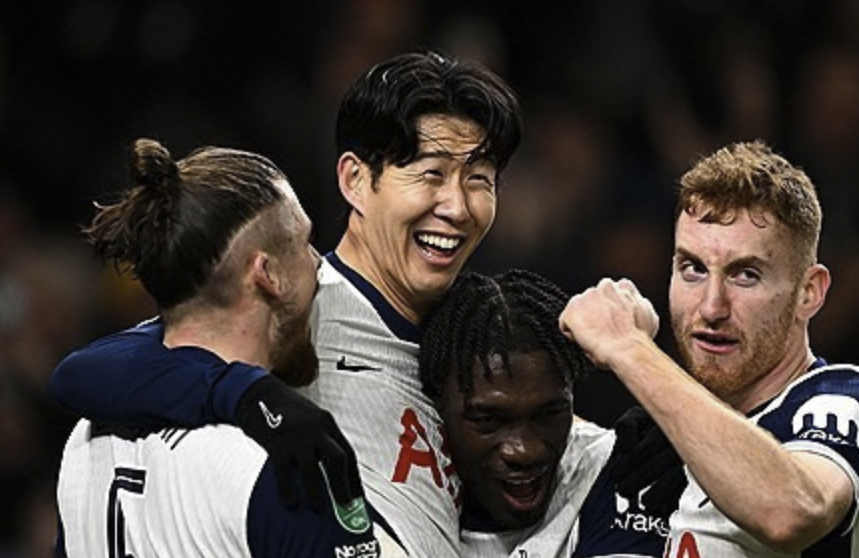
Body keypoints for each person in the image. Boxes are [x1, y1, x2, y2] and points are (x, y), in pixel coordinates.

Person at [49, 50, 523, 557]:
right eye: (430, 174)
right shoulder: (293, 313)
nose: (457, 207)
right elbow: (86, 373)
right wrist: (251, 394)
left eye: (479, 179)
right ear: (355, 179)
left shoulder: (479, 343)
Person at [559, 139, 859, 557]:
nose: (712, 307)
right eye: (692, 269)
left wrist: (629, 348)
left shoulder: (837, 409)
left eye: (745, 275)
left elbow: (790, 512)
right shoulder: (662, 448)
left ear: (809, 293)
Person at [55, 138, 378, 556]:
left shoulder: (83, 440)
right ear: (267, 274)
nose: (317, 262)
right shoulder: (286, 464)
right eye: (303, 243)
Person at [420, 269, 681, 557]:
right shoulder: (399, 492)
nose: (525, 451)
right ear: (436, 407)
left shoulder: (624, 470)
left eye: (548, 414)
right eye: (488, 420)